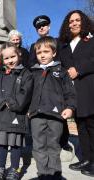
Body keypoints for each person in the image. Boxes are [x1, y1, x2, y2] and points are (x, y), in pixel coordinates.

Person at [28, 36, 76, 180]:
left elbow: (70, 92)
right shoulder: (32, 72)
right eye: (39, 52)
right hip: (36, 115)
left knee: (53, 146)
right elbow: (27, 93)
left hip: (56, 115)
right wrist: (27, 108)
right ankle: (43, 173)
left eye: (46, 51)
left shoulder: (61, 71)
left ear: (54, 53)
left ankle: (54, 174)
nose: (42, 55)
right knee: (39, 146)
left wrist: (70, 107)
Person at [0, 42, 33, 180]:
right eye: (6, 58)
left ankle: (14, 169)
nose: (10, 60)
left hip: (16, 114)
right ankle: (1, 168)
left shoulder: (26, 73)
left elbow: (26, 92)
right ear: (2, 60)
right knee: (1, 144)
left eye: (12, 56)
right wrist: (1, 102)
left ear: (19, 55)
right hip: (0, 114)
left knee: (15, 145)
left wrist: (11, 103)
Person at [59, 10, 94, 177]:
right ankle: (87, 158)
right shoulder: (64, 46)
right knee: (81, 125)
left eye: (77, 20)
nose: (73, 23)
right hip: (74, 92)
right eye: (70, 21)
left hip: (89, 88)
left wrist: (78, 70)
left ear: (83, 21)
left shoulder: (91, 39)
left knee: (91, 125)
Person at [29, 15, 71, 152]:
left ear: (49, 27)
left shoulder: (58, 42)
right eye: (38, 26)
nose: (41, 27)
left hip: (57, 79)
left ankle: (63, 141)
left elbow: (64, 60)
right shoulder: (33, 46)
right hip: (40, 79)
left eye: (44, 25)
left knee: (59, 110)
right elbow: (31, 64)